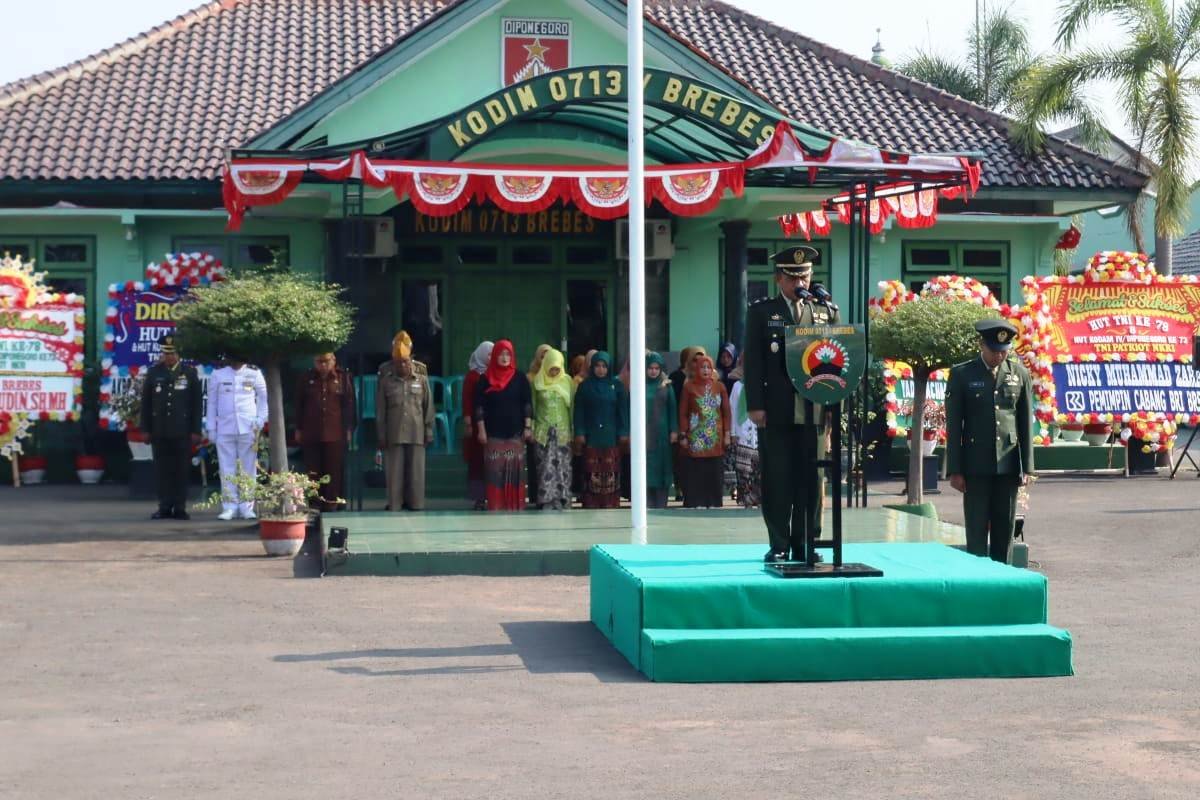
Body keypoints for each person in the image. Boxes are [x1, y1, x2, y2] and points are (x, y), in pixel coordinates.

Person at [743, 245, 840, 563]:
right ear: (779, 279)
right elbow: (754, 362)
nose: (800, 283)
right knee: (778, 477)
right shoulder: (762, 312)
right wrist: (755, 405)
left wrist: (832, 407)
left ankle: (806, 542)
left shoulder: (825, 311)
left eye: (805, 276)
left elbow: (838, 358)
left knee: (812, 478)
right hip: (777, 409)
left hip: (814, 408)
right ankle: (779, 543)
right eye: (793, 277)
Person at [945, 318, 1035, 563]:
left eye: (1004, 351)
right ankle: (977, 578)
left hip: (1008, 463)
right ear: (981, 345)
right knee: (976, 530)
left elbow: (1025, 422)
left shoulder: (1019, 374)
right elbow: (954, 425)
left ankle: (1003, 576)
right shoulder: (962, 374)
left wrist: (1027, 467)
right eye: (995, 351)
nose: (1000, 356)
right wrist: (955, 469)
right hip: (975, 465)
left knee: (1004, 530)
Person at [140, 335, 201, 520]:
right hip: (159, 430)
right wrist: (145, 429)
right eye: (166, 354)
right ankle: (164, 506)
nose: (170, 357)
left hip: (182, 430)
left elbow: (196, 405)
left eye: (173, 353)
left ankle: (180, 507)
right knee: (162, 470)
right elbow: (146, 404)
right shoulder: (154, 373)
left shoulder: (189, 373)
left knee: (181, 470)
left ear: (178, 354)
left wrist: (196, 430)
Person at [376, 331, 435, 512]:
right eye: (399, 362)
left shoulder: (421, 379)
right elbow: (381, 410)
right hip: (394, 431)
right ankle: (395, 504)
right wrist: (381, 434)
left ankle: (415, 503)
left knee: (416, 472)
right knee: (394, 472)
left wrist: (429, 430)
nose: (402, 365)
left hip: (416, 430)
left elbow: (428, 406)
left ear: (411, 360)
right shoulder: (386, 381)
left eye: (405, 361)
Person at [207, 354, 268, 521]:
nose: (237, 362)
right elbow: (211, 403)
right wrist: (211, 427)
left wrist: (260, 420)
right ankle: (229, 507)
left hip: (248, 427)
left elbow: (264, 399)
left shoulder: (254, 373)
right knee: (226, 468)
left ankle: (247, 507)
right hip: (225, 427)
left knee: (248, 469)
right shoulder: (218, 374)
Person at [293, 352, 356, 512]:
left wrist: (349, 428)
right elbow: (299, 405)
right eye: (319, 361)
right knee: (313, 470)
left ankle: (332, 502)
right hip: (311, 431)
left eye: (326, 361)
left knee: (334, 469)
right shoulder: (306, 378)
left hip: (335, 431)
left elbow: (349, 405)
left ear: (333, 360)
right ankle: (315, 503)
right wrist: (298, 428)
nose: (322, 365)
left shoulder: (343, 377)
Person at [475, 339, 532, 511]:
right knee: (495, 472)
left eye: (508, 354)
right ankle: (496, 505)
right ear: (494, 356)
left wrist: (528, 427)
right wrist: (481, 430)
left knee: (514, 473)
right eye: (501, 354)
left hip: (515, 433)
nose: (505, 358)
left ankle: (515, 505)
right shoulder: (485, 379)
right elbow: (479, 407)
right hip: (493, 433)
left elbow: (527, 404)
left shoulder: (520, 378)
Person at [573, 351, 629, 508]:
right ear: (592, 367)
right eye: (597, 366)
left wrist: (624, 432)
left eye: (604, 366)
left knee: (611, 469)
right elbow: (579, 411)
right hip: (591, 435)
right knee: (591, 469)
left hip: (611, 435)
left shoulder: (617, 386)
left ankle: (611, 502)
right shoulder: (585, 386)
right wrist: (579, 432)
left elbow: (623, 411)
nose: (601, 369)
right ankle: (591, 502)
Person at [677, 353, 732, 508]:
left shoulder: (720, 387)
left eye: (708, 367)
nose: (706, 370)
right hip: (696, 438)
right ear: (697, 369)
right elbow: (683, 413)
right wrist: (683, 434)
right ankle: (694, 502)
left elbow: (727, 413)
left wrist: (727, 434)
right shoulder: (688, 387)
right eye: (703, 367)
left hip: (716, 438)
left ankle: (714, 502)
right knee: (695, 471)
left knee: (714, 471)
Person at [531, 348, 574, 510]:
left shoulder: (567, 381)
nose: (554, 372)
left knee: (563, 466)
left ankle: (563, 499)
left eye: (557, 368)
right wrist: (532, 428)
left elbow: (572, 407)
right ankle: (546, 500)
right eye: (551, 368)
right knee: (545, 466)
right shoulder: (537, 381)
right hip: (543, 432)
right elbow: (533, 406)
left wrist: (573, 429)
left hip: (563, 431)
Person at [668, 345, 707, 501]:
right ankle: (681, 489)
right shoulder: (676, 377)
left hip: (702, 424)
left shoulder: (708, 376)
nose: (698, 363)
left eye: (701, 359)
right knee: (681, 458)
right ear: (687, 360)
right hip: (682, 422)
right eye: (694, 360)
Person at [644, 352, 678, 509]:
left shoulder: (666, 386)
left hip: (662, 434)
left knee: (662, 466)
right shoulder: (640, 385)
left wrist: (674, 430)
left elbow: (672, 409)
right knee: (646, 467)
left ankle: (661, 503)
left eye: (656, 368)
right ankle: (646, 503)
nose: (653, 371)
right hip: (644, 434)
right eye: (650, 368)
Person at [462, 340, 494, 510]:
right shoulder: (472, 376)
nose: (491, 357)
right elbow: (467, 400)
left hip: (493, 422)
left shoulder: (496, 373)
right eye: (488, 354)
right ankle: (479, 498)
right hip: (476, 424)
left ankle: (494, 496)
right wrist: (468, 421)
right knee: (478, 462)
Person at [728, 355, 762, 508]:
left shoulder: (763, 384)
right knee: (743, 469)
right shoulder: (737, 386)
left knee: (759, 468)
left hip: (759, 431)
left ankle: (758, 497)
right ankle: (744, 497)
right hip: (742, 432)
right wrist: (733, 433)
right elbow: (733, 409)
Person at [525, 343, 552, 505]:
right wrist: (530, 426)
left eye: (548, 356)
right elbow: (529, 405)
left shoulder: (558, 378)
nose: (545, 360)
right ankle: (536, 497)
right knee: (536, 462)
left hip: (554, 426)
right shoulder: (530, 378)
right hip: (536, 426)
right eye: (542, 356)